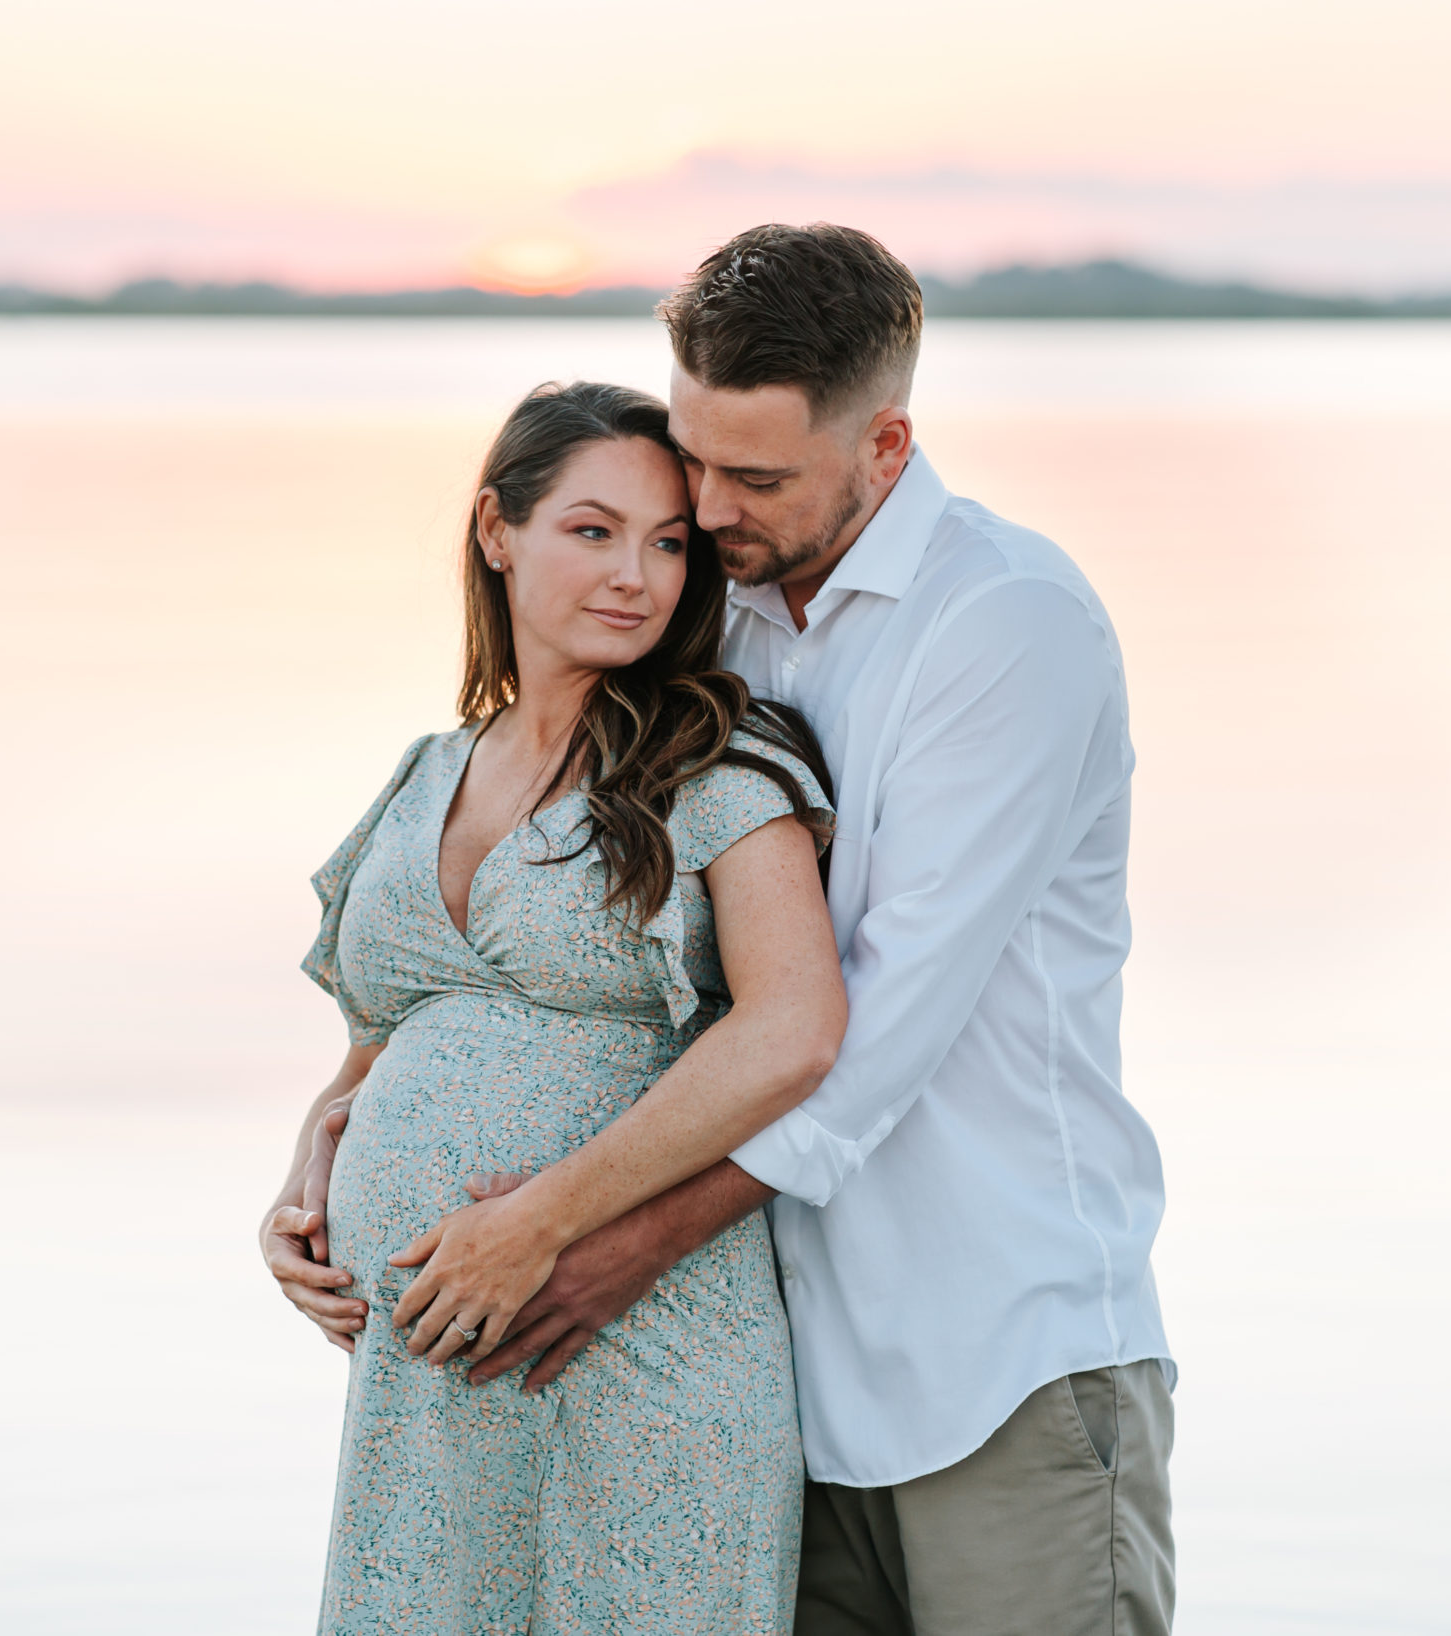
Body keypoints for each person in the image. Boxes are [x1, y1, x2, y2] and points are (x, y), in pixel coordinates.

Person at [273, 223, 1177, 1635]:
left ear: (886, 449)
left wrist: (600, 1243)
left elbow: (864, 1032)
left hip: (987, 1350)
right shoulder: (723, 617)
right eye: (695, 460)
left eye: (751, 479)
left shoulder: (1004, 625)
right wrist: (339, 1132)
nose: (705, 512)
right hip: (778, 1362)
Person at [260, 379, 848, 1634]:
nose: (637, 573)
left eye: (669, 541)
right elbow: (377, 1042)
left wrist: (535, 1220)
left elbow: (793, 1030)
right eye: (592, 530)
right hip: (426, 1364)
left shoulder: (721, 761)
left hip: (633, 1337)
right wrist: (304, 1188)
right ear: (495, 530)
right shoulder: (427, 771)